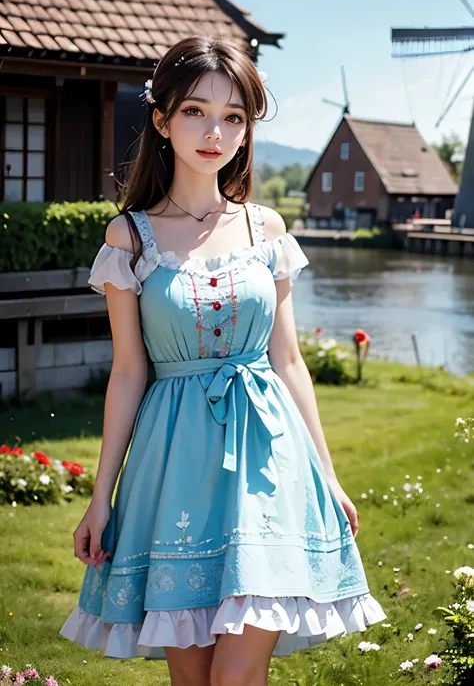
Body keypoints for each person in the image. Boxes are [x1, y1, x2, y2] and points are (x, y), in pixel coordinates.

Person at [59, 36, 386, 686]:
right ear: (161, 120)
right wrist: (101, 498)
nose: (216, 132)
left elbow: (288, 359)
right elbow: (129, 372)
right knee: (194, 677)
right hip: (172, 466)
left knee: (237, 674)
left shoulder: (266, 229)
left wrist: (328, 473)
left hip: (269, 462)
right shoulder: (130, 236)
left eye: (234, 116)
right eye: (195, 112)